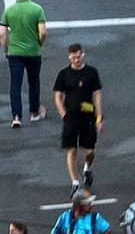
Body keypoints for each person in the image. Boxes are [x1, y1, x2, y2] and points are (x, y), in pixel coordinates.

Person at [54, 42, 105, 191]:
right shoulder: (63, 74)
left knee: (90, 150)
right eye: (74, 56)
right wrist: (63, 114)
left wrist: (99, 117)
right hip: (71, 117)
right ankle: (75, 182)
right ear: (69, 57)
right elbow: (57, 96)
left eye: (79, 56)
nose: (77, 59)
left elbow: (97, 95)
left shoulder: (92, 72)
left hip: (88, 116)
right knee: (71, 149)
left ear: (83, 55)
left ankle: (87, 168)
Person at [1, 0, 48, 129]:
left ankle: (16, 116)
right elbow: (43, 32)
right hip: (33, 52)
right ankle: (34, 112)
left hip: (14, 52)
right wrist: (39, 43)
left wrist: (6, 49)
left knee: (15, 84)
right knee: (34, 81)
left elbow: (2, 34)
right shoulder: (37, 9)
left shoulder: (9, 11)